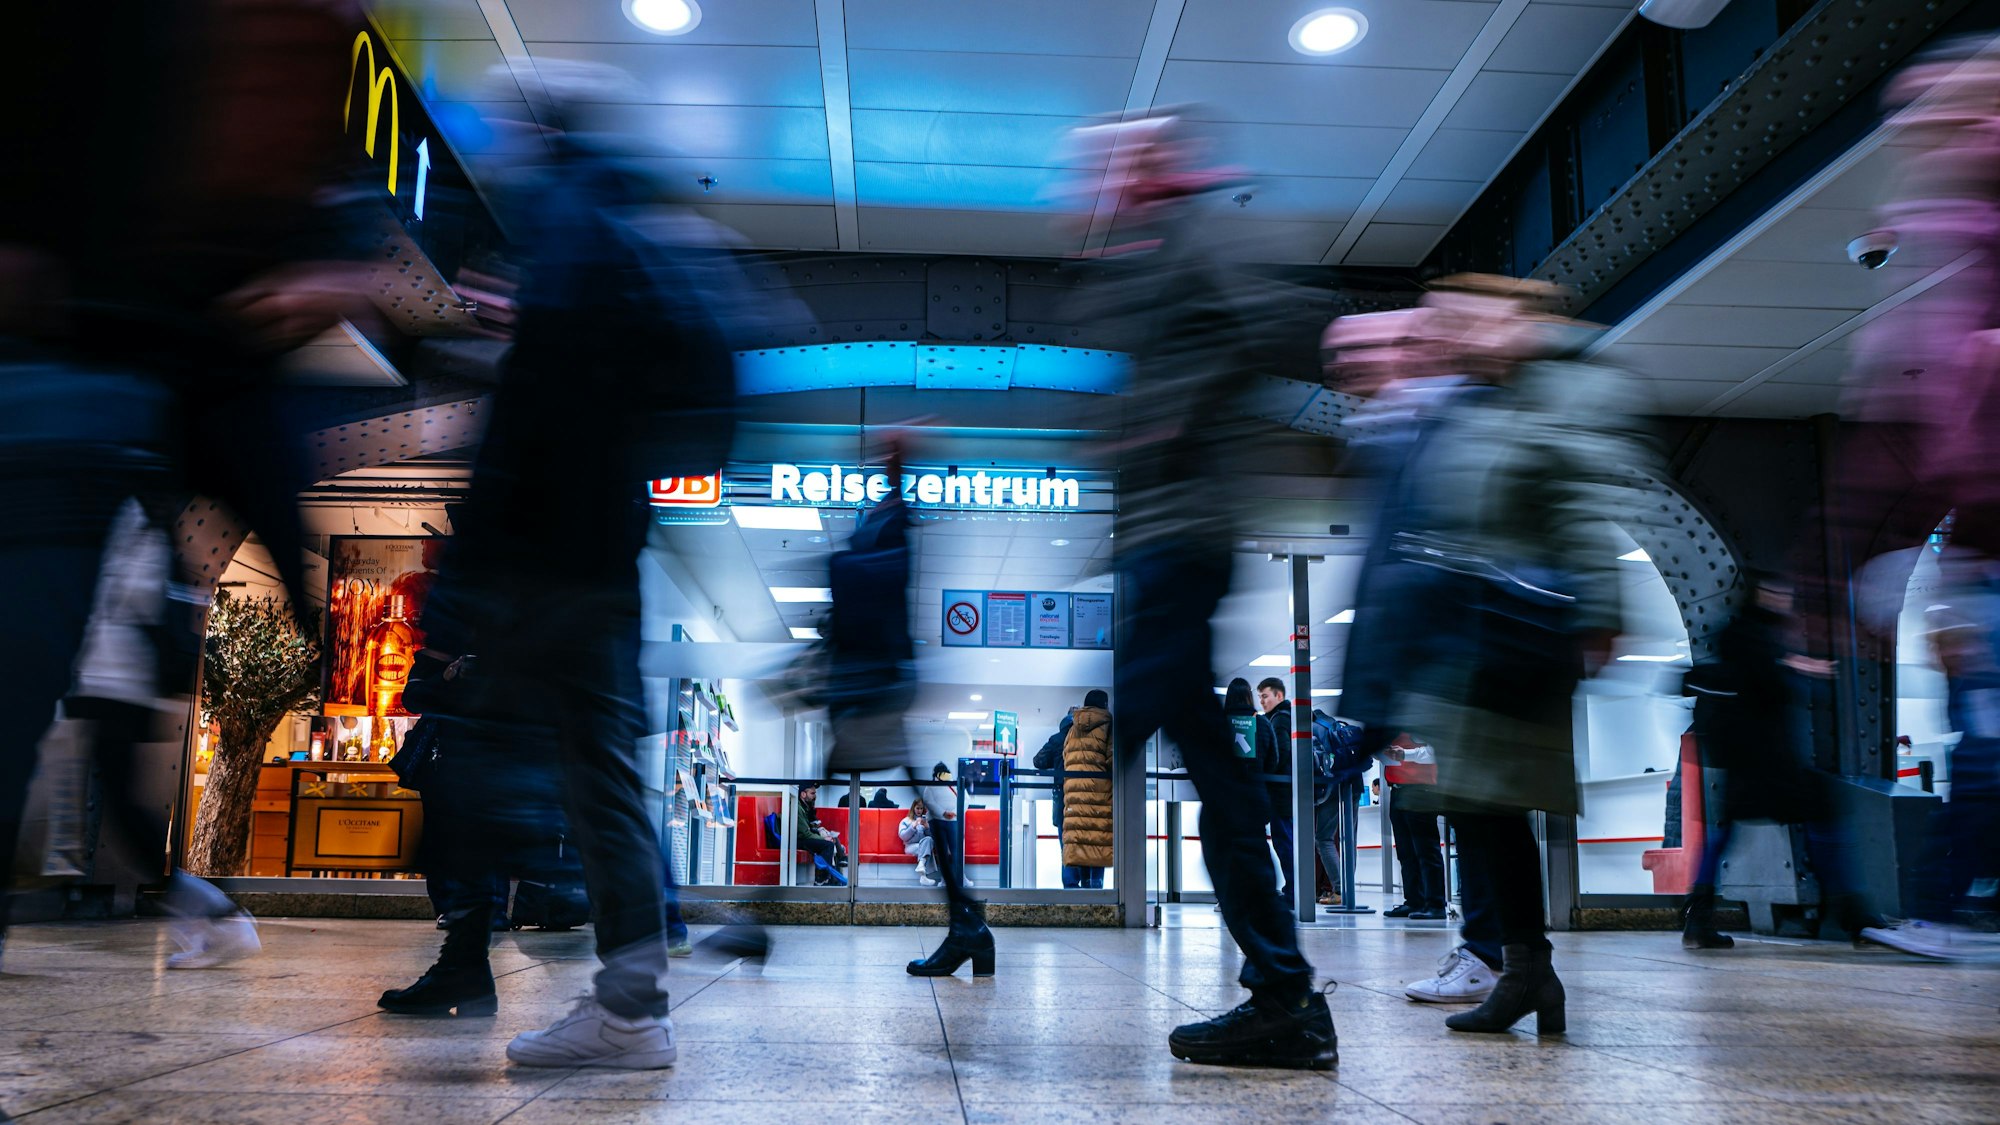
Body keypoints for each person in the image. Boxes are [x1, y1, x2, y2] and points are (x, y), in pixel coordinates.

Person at [0, 0, 376, 961]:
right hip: (68, 375)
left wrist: (328, 273)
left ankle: (183, 892)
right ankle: (184, 892)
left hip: (140, 387)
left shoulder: (294, 72)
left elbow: (333, 210)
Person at [393, 63, 742, 1070]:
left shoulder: (563, 221)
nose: (496, 143)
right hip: (600, 558)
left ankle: (481, 958)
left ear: (538, 131)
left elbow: (528, 421)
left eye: (506, 125)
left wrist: (467, 569)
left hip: (535, 566)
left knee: (467, 758)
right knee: (596, 781)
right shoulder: (627, 224)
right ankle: (627, 1009)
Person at [1074, 110, 1333, 1069]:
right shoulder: (1159, 245)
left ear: (1159, 160)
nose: (1100, 179)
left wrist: (1161, 428)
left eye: (1117, 160)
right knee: (1218, 775)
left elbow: (1266, 325)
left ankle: (1284, 989)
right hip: (1166, 539)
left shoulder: (1208, 229)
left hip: (1185, 538)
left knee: (1139, 731)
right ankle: (1283, 991)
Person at [1336, 275, 1657, 1037]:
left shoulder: (1559, 391)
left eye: (1467, 319)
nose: (1457, 335)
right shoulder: (1483, 401)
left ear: (1512, 317)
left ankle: (1521, 969)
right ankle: (1524, 970)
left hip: (1519, 631)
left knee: (1495, 809)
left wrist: (1602, 612)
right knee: (1482, 813)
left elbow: (1580, 502)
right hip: (1467, 638)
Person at [822, 449, 992, 976]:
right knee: (909, 787)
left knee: (865, 778)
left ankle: (970, 928)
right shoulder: (878, 533)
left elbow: (874, 578)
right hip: (875, 680)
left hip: (875, 683)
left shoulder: (884, 537)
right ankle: (970, 929)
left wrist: (896, 472)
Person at [1682, 576, 1880, 950]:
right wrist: (1797, 667)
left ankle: (1699, 917)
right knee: (1823, 815)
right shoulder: (1752, 634)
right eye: (1776, 592)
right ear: (1758, 595)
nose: (1783, 600)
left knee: (1727, 833)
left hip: (1750, 760)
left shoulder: (1743, 633)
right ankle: (1853, 915)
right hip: (1767, 759)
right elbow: (1767, 684)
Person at [1381, 737, 1447, 921]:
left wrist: (1404, 754)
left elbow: (1434, 752)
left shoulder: (1420, 720)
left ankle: (1435, 904)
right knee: (1405, 851)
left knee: (1426, 850)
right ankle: (1414, 900)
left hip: (1420, 790)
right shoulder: (1394, 724)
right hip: (1397, 790)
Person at [1246, 679, 1296, 903]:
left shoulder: (1280, 720)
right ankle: (1293, 889)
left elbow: (1281, 752)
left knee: (1283, 841)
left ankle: (1294, 891)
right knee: (1284, 840)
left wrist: (1267, 771)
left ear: (1279, 695)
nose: (1262, 701)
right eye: (1259, 697)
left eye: (1265, 696)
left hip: (1280, 791)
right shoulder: (1281, 718)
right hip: (1284, 790)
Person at [1059, 690, 1114, 890]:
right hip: (1098, 795)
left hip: (1073, 796)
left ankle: (1076, 898)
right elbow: (1112, 760)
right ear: (1105, 705)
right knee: (1096, 840)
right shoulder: (1108, 725)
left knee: (1080, 841)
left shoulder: (1073, 728)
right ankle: (1096, 893)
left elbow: (1066, 757)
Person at [1033, 708, 1078, 885]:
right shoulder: (1088, 738)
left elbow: (1038, 761)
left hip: (1063, 797)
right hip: (1086, 797)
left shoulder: (1057, 739)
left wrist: (1057, 761)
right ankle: (1091, 888)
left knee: (1066, 845)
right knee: (1086, 843)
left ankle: (1070, 887)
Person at [795, 783, 849, 885]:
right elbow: (804, 833)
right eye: (812, 793)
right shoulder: (797, 808)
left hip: (802, 838)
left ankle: (832, 879)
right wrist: (822, 839)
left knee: (830, 841)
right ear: (803, 794)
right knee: (827, 845)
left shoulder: (805, 807)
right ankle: (821, 880)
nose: (815, 796)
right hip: (797, 840)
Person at [900, 797, 941, 886]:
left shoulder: (925, 821)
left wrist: (927, 828)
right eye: (917, 808)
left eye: (921, 808)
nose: (919, 810)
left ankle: (922, 869)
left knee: (929, 840)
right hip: (910, 847)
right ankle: (923, 874)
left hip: (922, 846)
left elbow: (932, 839)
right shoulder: (906, 821)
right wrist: (913, 827)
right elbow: (903, 836)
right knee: (926, 849)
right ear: (913, 808)